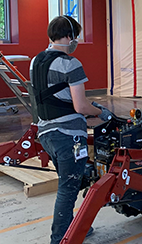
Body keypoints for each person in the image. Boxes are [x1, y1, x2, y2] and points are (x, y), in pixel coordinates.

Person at [30, 15, 113, 244]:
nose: (75, 41)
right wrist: (102, 113)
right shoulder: (70, 63)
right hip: (68, 137)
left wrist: (90, 110)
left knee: (73, 181)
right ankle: (60, 239)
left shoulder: (35, 61)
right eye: (74, 36)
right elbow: (81, 106)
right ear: (68, 36)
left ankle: (78, 227)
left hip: (46, 133)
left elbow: (53, 98)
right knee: (68, 187)